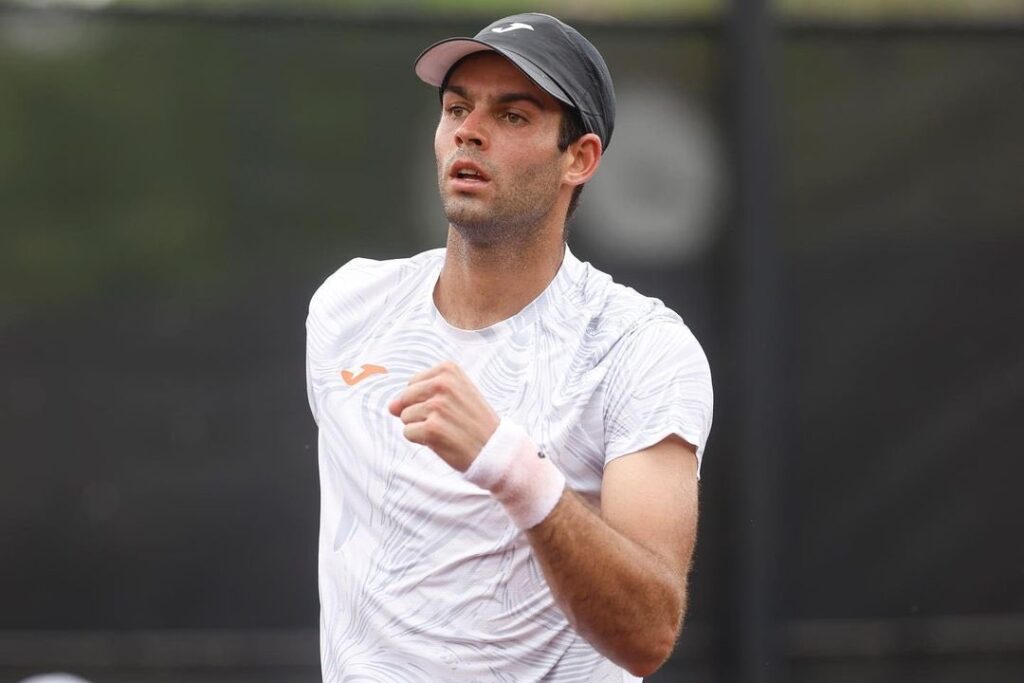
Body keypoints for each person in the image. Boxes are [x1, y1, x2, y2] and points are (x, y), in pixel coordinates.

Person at [305, 13, 713, 683]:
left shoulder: (641, 348)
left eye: (514, 116)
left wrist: (510, 467)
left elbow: (648, 632)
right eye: (457, 107)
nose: (469, 129)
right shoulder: (345, 311)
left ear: (578, 159)